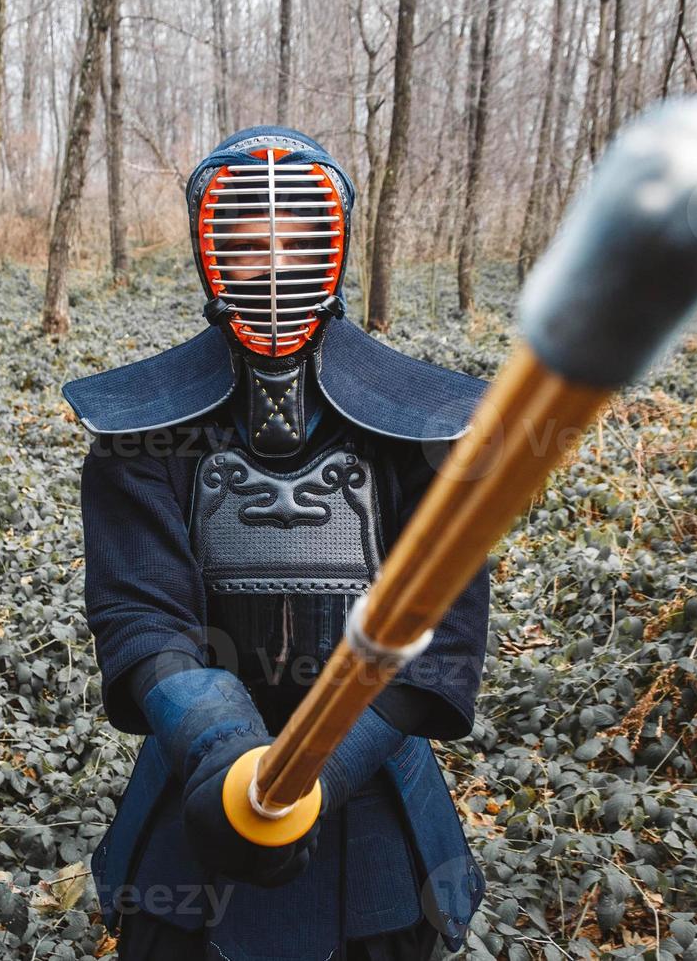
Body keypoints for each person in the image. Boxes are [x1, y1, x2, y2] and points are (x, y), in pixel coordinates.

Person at [62, 126, 491, 961]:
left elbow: (437, 638)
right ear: (209, 248)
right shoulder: (142, 429)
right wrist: (230, 757)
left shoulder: (426, 429)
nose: (273, 268)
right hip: (197, 779)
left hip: (377, 800)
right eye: (248, 244)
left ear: (334, 245)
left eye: (297, 242)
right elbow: (142, 616)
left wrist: (316, 773)